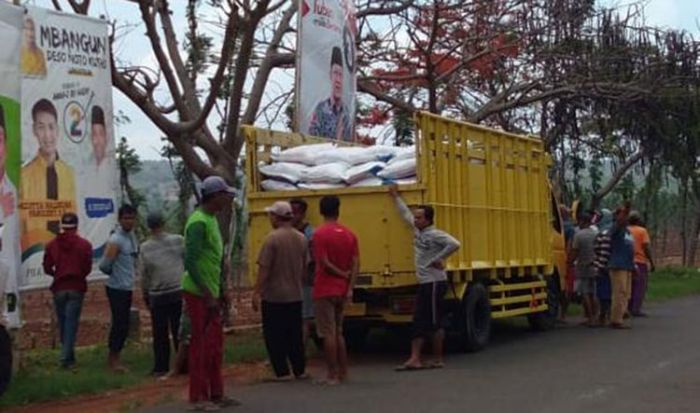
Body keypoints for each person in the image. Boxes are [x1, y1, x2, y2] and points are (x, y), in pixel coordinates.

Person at [181, 176, 238, 410]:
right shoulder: (198, 222)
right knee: (201, 346)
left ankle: (216, 393)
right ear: (214, 196)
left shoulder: (211, 219)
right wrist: (207, 293)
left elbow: (214, 260)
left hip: (211, 292)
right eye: (225, 194)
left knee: (214, 345)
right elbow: (191, 261)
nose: (228, 198)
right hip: (199, 293)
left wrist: (221, 290)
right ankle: (199, 397)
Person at [389, 186, 461, 371]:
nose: (415, 219)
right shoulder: (418, 232)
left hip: (434, 283)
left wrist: (439, 258)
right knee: (422, 320)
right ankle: (418, 359)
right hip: (425, 283)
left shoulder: (435, 234)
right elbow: (405, 214)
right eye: (416, 217)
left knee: (432, 321)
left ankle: (433, 359)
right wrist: (396, 196)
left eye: (419, 217)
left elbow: (454, 243)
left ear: (428, 220)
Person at [253, 201, 309, 381]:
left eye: (271, 215)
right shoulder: (301, 238)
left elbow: (264, 268)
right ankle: (299, 370)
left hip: (274, 296)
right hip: (295, 294)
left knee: (274, 335)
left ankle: (282, 371)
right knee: (295, 334)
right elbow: (305, 267)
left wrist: (257, 292)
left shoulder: (272, 239)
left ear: (277, 217)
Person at [312, 195, 359, 385]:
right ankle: (343, 372)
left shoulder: (320, 234)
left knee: (328, 333)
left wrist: (341, 274)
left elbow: (323, 263)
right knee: (339, 332)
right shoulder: (349, 234)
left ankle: (332, 374)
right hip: (342, 290)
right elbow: (356, 263)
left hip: (325, 288)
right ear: (338, 210)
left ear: (321, 211)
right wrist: (350, 286)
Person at [20, 98, 76, 240]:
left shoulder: (68, 173)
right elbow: (21, 224)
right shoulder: (24, 176)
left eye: (51, 127)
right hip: (34, 253)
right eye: (41, 127)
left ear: (57, 129)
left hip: (65, 249)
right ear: (34, 130)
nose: (47, 135)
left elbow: (74, 217)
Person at [42, 213, 93, 368]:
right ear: (76, 227)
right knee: (71, 324)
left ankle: (70, 360)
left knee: (64, 324)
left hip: (59, 288)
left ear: (62, 226)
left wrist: (57, 274)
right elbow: (87, 268)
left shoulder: (51, 245)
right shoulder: (85, 245)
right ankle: (65, 358)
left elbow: (46, 267)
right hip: (76, 287)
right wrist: (77, 274)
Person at [139, 212, 184, 377]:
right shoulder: (178, 240)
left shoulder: (145, 247)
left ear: (149, 227)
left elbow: (144, 274)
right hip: (179, 291)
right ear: (164, 222)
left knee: (160, 333)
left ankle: (160, 366)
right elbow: (187, 262)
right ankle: (184, 363)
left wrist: (145, 294)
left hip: (157, 295)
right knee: (179, 331)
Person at [99, 204, 138, 372]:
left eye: (131, 218)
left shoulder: (131, 237)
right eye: (126, 218)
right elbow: (105, 265)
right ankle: (113, 360)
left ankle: (117, 358)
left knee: (124, 324)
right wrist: (116, 274)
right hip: (116, 288)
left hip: (127, 286)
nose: (129, 221)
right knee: (119, 324)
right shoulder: (116, 240)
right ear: (120, 220)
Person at [308, 46, 352, 141]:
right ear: (330, 76)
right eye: (335, 73)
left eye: (341, 75)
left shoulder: (346, 113)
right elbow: (311, 139)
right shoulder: (320, 109)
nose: (338, 80)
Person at [289, 198, 316, 347]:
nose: (293, 216)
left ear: (303, 214)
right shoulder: (286, 232)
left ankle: (300, 353)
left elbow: (311, 260)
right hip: (289, 283)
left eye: (296, 213)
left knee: (304, 320)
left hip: (305, 283)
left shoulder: (310, 234)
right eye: (290, 213)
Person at [608, 204, 635, 329]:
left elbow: (630, 249)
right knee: (619, 292)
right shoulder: (615, 228)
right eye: (623, 215)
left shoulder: (628, 231)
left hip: (627, 265)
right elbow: (620, 221)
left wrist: (633, 266)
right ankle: (616, 320)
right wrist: (625, 211)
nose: (626, 217)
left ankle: (621, 313)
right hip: (618, 265)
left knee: (626, 293)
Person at [569, 211, 599, 327]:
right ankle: (597, 316)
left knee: (585, 293)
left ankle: (590, 317)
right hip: (596, 265)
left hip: (583, 266)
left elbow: (575, 252)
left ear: (583, 221)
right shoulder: (596, 233)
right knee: (594, 292)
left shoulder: (579, 235)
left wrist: (569, 262)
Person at [628, 211, 655, 317]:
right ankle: (636, 309)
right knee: (640, 286)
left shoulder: (625, 230)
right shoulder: (642, 231)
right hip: (640, 261)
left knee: (629, 285)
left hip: (628, 261)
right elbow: (646, 247)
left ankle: (627, 307)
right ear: (638, 220)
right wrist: (651, 261)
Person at [593, 209, 613, 325]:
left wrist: (599, 267)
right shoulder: (611, 230)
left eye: (599, 217)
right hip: (610, 267)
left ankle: (603, 316)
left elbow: (604, 252)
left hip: (604, 268)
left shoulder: (605, 233)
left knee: (603, 294)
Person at [559, 206, 576, 322]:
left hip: (554, 258)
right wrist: (569, 260)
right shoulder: (570, 228)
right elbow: (570, 245)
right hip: (565, 259)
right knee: (567, 288)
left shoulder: (553, 225)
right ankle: (563, 314)